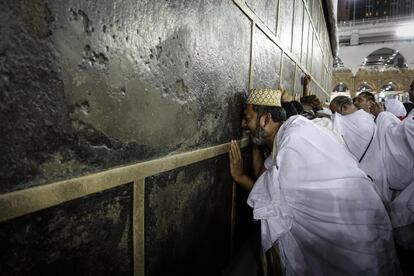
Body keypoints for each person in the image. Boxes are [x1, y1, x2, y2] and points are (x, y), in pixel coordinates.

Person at [229, 89, 399, 275]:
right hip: (359, 220)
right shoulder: (289, 133)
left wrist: (239, 177)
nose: (243, 124)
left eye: (247, 118)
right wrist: (257, 140)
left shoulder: (294, 139)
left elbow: (272, 200)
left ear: (266, 120)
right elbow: (265, 177)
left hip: (352, 232)